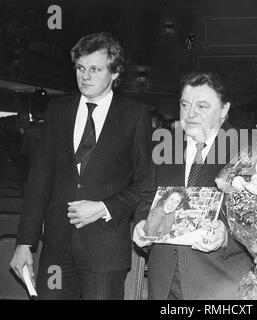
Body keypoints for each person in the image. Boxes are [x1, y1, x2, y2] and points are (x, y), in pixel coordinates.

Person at [10, 32, 154, 300]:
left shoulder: (135, 115)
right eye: (80, 68)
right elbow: (39, 181)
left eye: (95, 69)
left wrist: (104, 208)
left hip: (105, 251)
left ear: (115, 72)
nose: (84, 76)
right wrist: (24, 243)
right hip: (56, 246)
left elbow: (145, 183)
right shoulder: (58, 110)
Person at [134, 71, 253, 300]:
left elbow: (254, 215)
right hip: (164, 280)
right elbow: (147, 196)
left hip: (218, 281)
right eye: (185, 104)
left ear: (224, 110)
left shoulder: (245, 147)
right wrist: (142, 223)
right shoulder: (167, 143)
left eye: (202, 106)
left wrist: (226, 236)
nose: (190, 114)